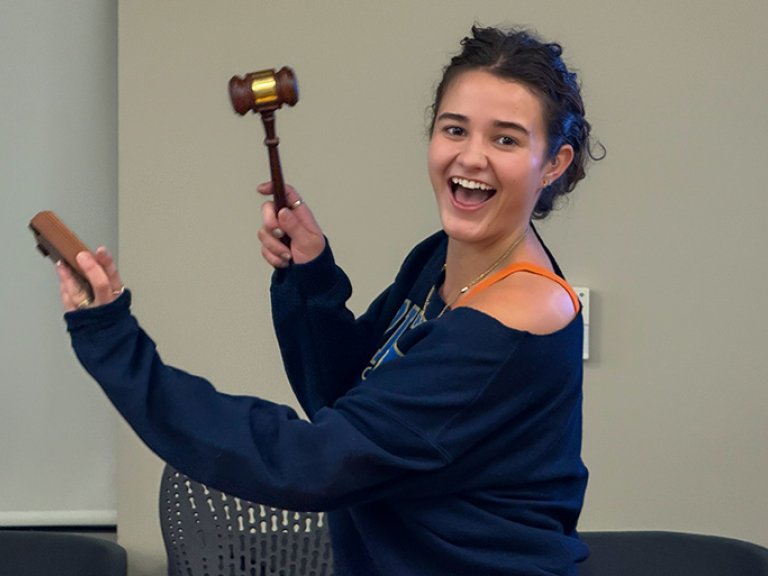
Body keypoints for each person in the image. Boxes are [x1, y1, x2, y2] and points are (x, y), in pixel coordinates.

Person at [55, 25, 601, 576]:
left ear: (553, 163)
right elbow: (346, 397)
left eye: (505, 139)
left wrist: (115, 344)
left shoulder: (513, 321)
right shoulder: (441, 258)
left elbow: (309, 463)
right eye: (454, 129)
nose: (471, 157)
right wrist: (310, 274)